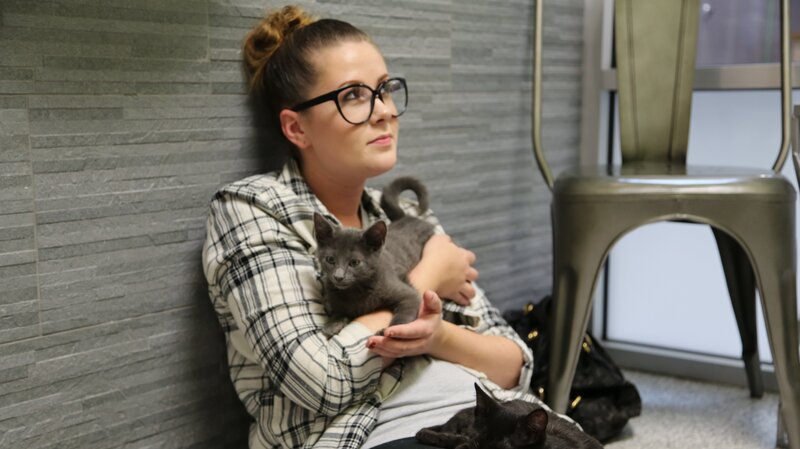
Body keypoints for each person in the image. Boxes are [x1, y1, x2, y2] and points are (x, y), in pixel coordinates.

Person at [202, 5, 556, 449]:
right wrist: (426, 279)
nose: (384, 111)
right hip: (371, 432)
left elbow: (514, 364)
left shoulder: (403, 219)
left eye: (384, 89)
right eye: (353, 95)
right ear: (297, 128)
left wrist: (436, 334)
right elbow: (320, 382)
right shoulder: (253, 208)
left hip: (489, 421)